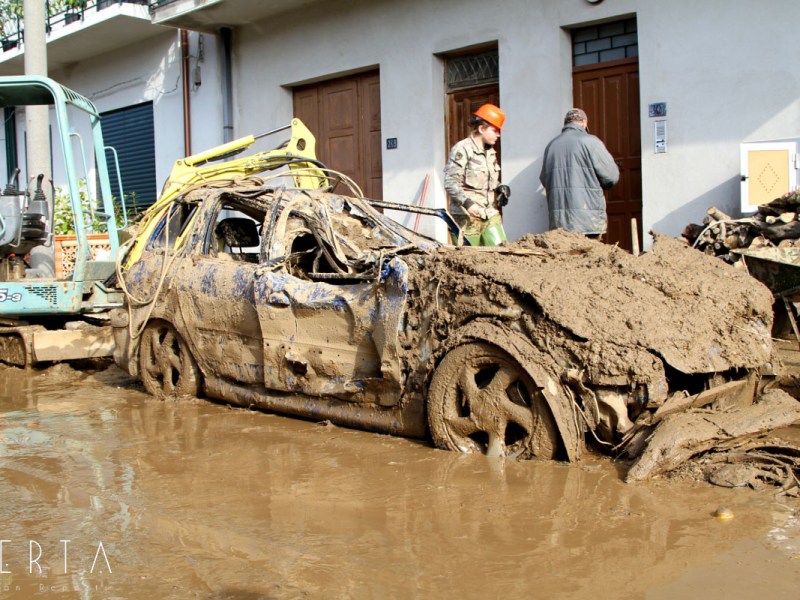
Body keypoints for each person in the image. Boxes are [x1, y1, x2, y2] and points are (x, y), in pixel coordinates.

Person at [539, 108, 619, 238]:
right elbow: (611, 177)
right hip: (588, 223)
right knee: (589, 257)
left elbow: (544, 179)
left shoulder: (551, 146)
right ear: (584, 123)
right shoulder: (591, 142)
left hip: (559, 226)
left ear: (566, 124)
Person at [443, 103, 510, 246]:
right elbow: (450, 182)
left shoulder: (490, 152)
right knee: (471, 262)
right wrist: (468, 204)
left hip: (489, 213)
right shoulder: (463, 149)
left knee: (502, 254)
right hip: (466, 218)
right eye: (495, 130)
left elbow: (487, 180)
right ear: (481, 128)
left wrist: (500, 188)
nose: (498, 135)